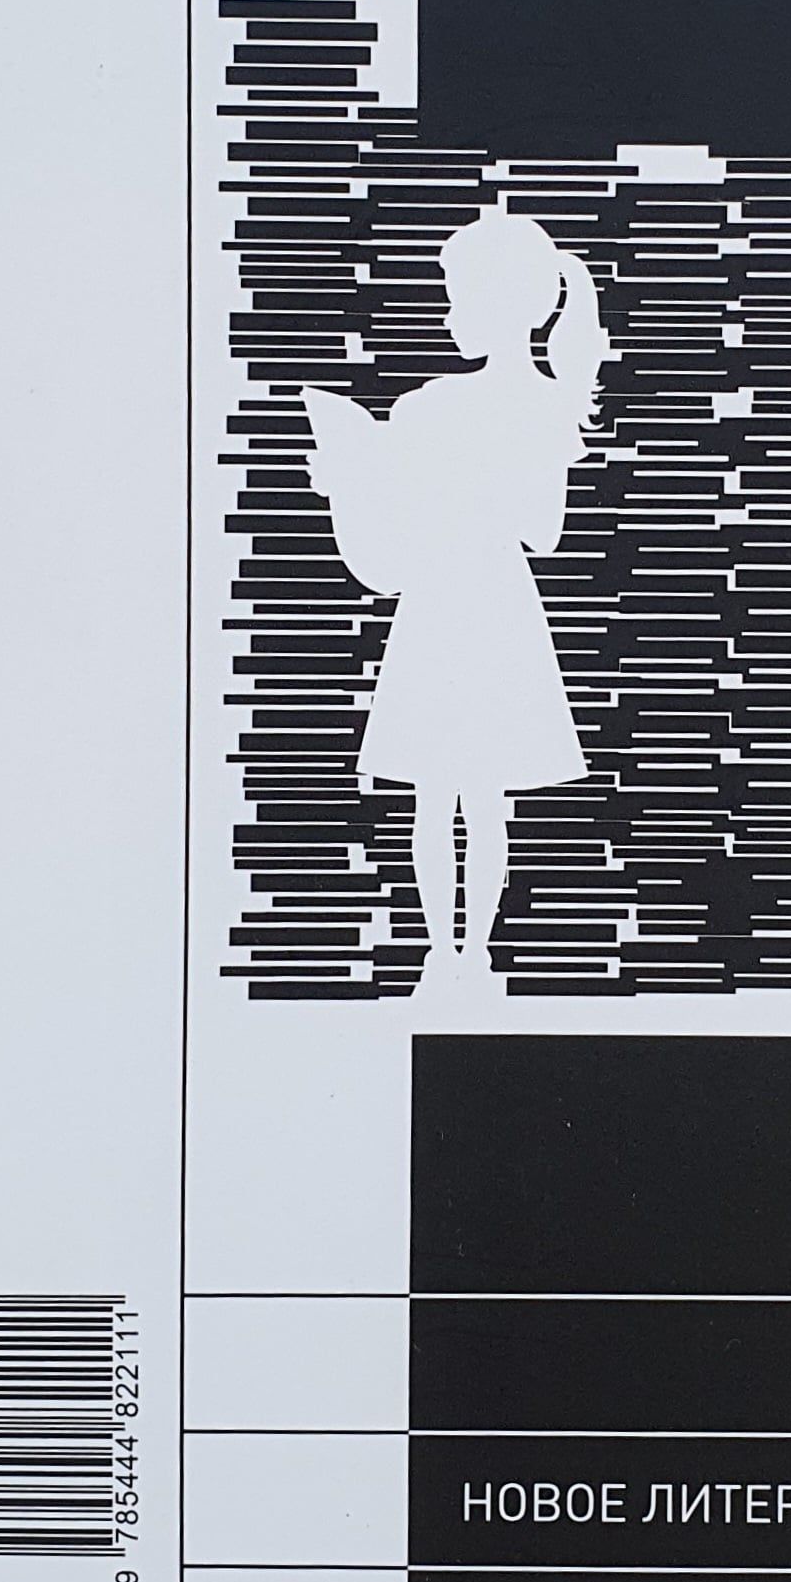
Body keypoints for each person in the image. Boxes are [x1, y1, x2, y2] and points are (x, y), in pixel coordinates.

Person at [305, 208, 604, 994]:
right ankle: (454, 954)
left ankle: (463, 954)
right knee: (458, 795)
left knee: (460, 794)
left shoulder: (468, 406)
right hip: (469, 601)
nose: (446, 314)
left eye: (455, 296)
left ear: (491, 301)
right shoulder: (458, 404)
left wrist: (376, 483)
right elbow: (527, 532)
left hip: (467, 605)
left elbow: (538, 530)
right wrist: (352, 482)